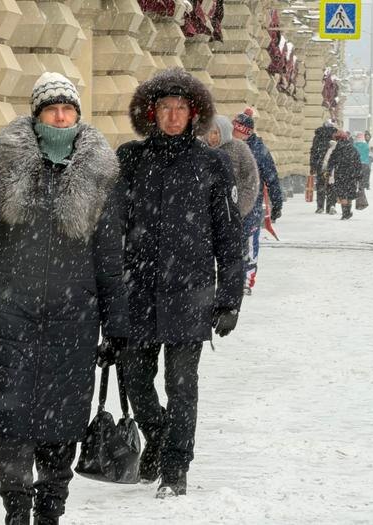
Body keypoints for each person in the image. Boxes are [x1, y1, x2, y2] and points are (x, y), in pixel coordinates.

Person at [0, 72, 129, 525]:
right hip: (9, 316)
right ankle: (16, 510)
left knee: (60, 432)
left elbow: (109, 255)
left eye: (68, 109)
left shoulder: (99, 171)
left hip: (74, 321)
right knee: (12, 432)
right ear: (37, 116)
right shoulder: (8, 163)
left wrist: (116, 326)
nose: (61, 116)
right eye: (52, 109)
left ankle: (50, 512)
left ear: (77, 115)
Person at [113, 68, 244, 498]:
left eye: (181, 108)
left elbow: (229, 237)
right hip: (138, 293)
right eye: (166, 108)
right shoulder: (131, 160)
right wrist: (107, 299)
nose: (173, 116)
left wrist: (229, 299)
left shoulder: (212, 164)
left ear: (194, 114)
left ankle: (175, 467)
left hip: (191, 294)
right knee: (136, 381)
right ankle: (159, 436)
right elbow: (109, 233)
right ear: (151, 113)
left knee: (181, 386)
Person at [232, 108, 284, 293]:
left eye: (237, 129)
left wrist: (277, 203)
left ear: (245, 131)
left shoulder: (259, 151)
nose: (233, 132)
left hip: (251, 205)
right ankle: (231, 279)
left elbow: (272, 178)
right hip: (229, 205)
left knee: (249, 243)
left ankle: (246, 280)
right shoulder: (227, 146)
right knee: (231, 244)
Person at [206, 115, 260, 219]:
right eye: (209, 132)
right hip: (206, 214)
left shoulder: (239, 149)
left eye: (216, 133)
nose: (212, 137)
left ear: (224, 132)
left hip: (232, 212)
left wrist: (238, 209)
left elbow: (251, 182)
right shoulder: (202, 149)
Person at [328, 130, 362, 220]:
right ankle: (347, 212)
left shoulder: (337, 150)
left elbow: (331, 162)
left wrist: (329, 172)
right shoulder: (352, 148)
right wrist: (359, 174)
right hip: (351, 175)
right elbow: (358, 163)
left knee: (342, 194)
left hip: (340, 175)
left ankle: (345, 213)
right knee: (349, 193)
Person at [310, 120, 338, 214]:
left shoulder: (318, 136)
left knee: (320, 185)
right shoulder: (335, 136)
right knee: (331, 185)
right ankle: (330, 206)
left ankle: (320, 206)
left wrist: (312, 166)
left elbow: (313, 152)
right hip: (332, 164)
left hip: (320, 164)